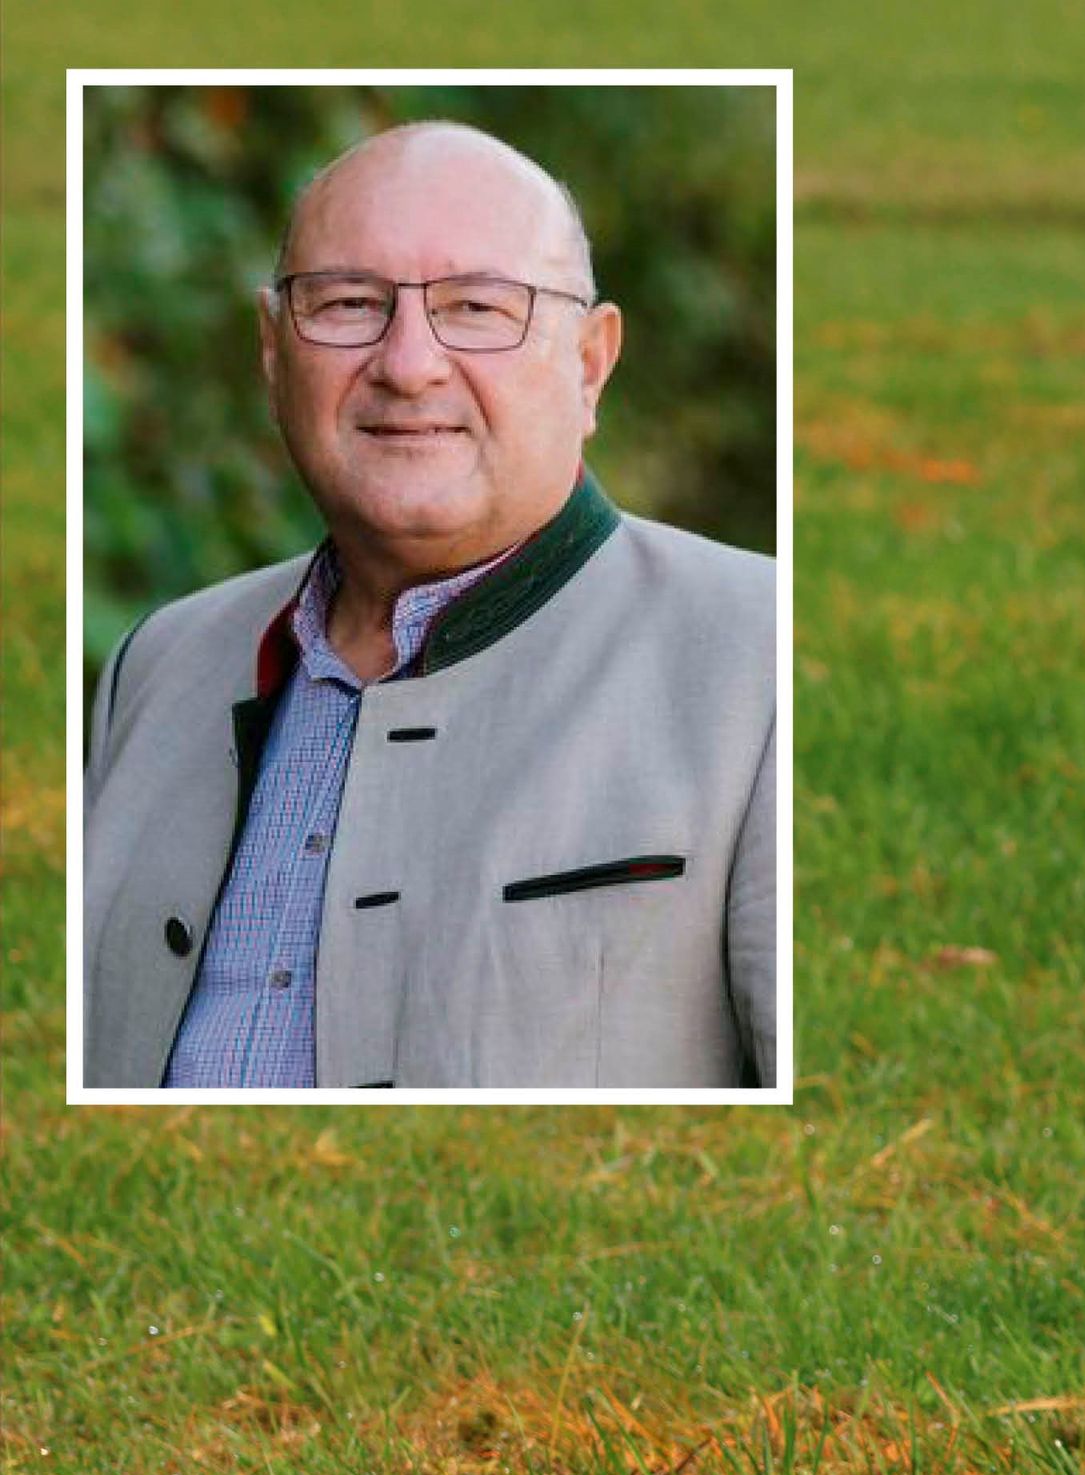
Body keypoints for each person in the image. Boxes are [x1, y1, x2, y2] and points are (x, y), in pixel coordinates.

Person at [82, 120, 777, 1092]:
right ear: (274, 355)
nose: (408, 363)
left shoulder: (765, 659)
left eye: (479, 307)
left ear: (589, 363)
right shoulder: (156, 666)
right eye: (349, 302)